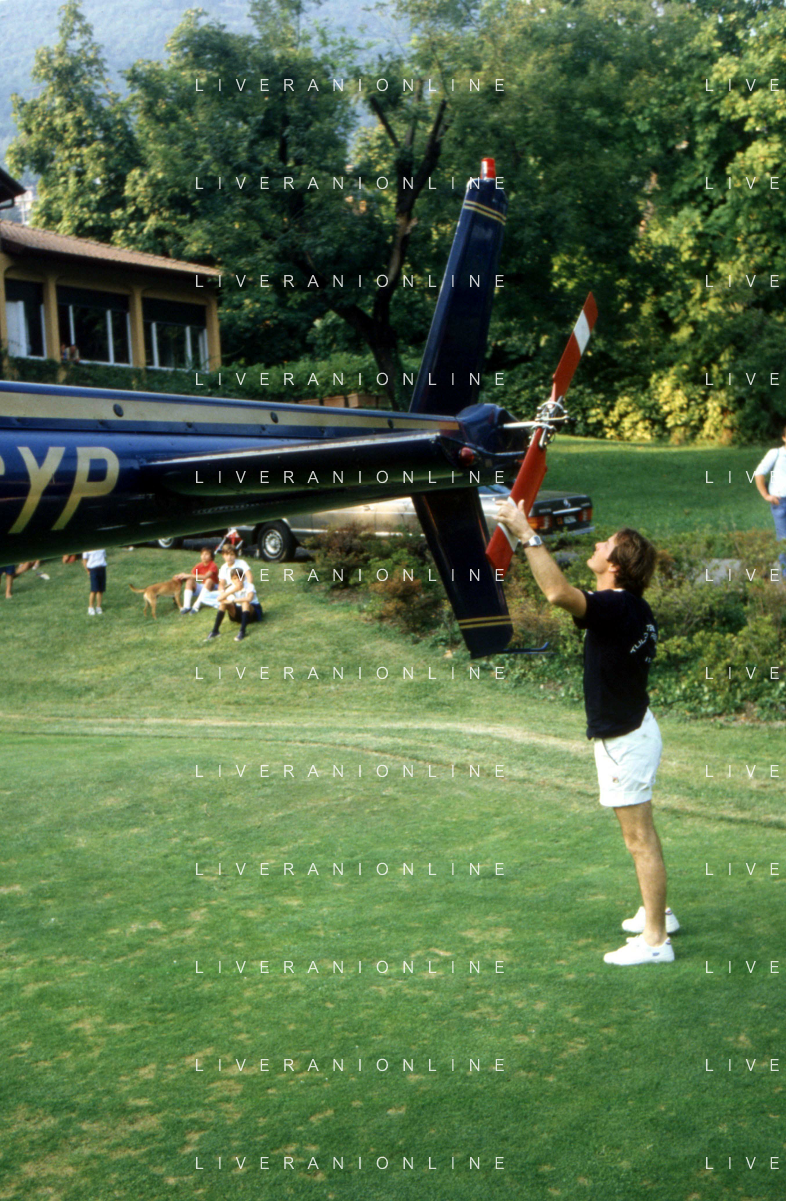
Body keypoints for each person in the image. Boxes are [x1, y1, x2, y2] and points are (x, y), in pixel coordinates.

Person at [496, 499, 678, 966]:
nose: (597, 544)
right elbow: (577, 602)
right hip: (636, 731)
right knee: (643, 834)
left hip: (625, 741)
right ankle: (658, 914)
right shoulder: (630, 607)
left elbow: (557, 594)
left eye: (606, 544)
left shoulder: (616, 606)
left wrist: (526, 534)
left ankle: (656, 941)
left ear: (615, 565)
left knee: (639, 839)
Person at [205, 545, 263, 643]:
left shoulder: (242, 565)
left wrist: (238, 594)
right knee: (223, 603)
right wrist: (229, 591)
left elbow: (249, 594)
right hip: (236, 603)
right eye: (227, 555)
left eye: (232, 554)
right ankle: (215, 631)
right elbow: (221, 588)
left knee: (245, 602)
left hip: (251, 608)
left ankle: (242, 632)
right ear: (223, 556)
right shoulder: (224, 569)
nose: (229, 557)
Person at [753, 423, 786, 573]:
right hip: (781, 502)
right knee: (784, 540)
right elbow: (759, 473)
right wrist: (766, 495)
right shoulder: (776, 453)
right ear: (784, 438)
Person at [179, 547, 220, 613]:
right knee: (189, 581)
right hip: (204, 587)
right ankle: (187, 606)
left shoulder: (213, 565)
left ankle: (196, 605)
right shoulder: (199, 565)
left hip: (214, 588)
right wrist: (182, 576)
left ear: (211, 557)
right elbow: (192, 576)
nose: (204, 556)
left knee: (209, 580)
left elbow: (205, 576)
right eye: (202, 554)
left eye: (206, 554)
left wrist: (188, 575)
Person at [82, 549, 107, 615]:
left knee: (100, 590)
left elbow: (103, 556)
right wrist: (87, 570)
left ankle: (98, 607)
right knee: (94, 589)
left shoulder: (102, 548)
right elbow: (84, 560)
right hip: (93, 569)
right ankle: (90, 607)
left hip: (102, 568)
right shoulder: (87, 549)